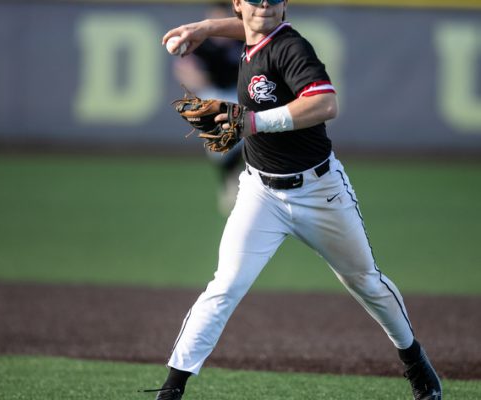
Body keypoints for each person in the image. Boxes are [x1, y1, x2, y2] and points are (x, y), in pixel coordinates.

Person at [150, 1, 442, 399]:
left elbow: (326, 104)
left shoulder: (292, 48)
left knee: (365, 283)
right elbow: (251, 30)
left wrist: (252, 121)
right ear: (238, 3)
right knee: (225, 285)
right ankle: (172, 388)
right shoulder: (254, 37)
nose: (266, 6)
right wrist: (204, 28)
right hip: (260, 193)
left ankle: (415, 361)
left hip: (320, 192)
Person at [171, 2, 245, 215]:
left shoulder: (240, 41)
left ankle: (237, 182)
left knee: (246, 136)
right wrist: (196, 79)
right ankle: (229, 181)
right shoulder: (203, 44)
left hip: (237, 93)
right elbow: (183, 68)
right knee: (222, 148)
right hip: (211, 94)